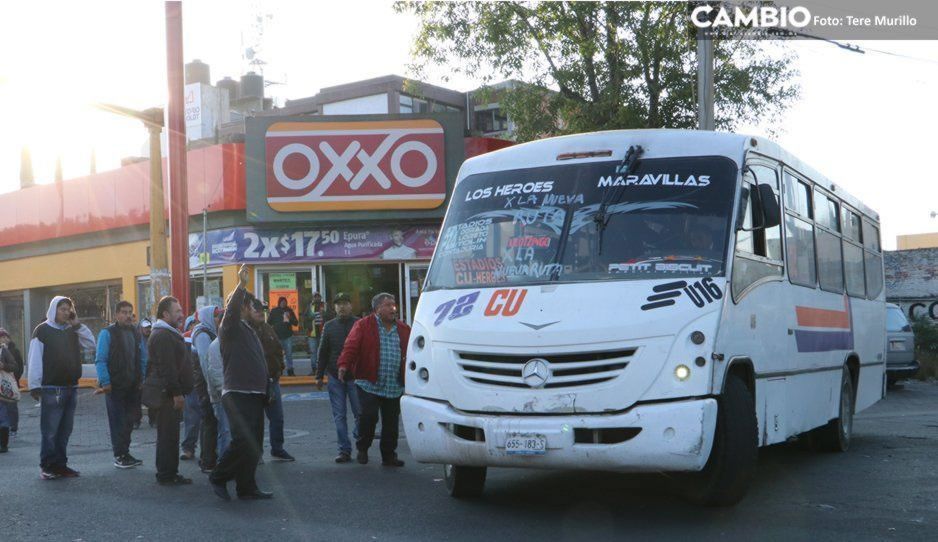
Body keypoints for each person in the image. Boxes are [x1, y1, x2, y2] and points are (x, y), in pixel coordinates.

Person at [210, 265, 274, 501]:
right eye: (248, 305)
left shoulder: (250, 331)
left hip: (254, 393)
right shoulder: (231, 327)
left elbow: (259, 363)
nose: (252, 308)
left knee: (254, 444)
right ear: (241, 307)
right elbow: (231, 311)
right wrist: (241, 286)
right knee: (243, 441)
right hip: (237, 393)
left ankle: (246, 487)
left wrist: (266, 388)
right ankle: (218, 476)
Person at [337, 292, 410, 467]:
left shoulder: (403, 329)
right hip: (369, 382)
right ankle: (363, 448)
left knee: (391, 423)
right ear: (377, 309)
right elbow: (351, 346)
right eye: (388, 305)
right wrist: (344, 364)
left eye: (394, 305)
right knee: (369, 417)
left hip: (393, 385)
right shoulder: (363, 325)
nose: (393, 308)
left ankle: (389, 455)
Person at [27, 296, 96, 479]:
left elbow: (91, 344)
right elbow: (35, 358)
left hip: (71, 387)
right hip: (52, 388)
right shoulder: (42, 330)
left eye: (68, 309)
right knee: (50, 431)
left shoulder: (72, 330)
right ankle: (47, 466)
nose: (66, 312)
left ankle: (60, 465)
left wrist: (78, 325)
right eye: (62, 309)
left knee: (65, 430)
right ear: (53, 310)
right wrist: (34, 385)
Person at [93, 300, 147, 469]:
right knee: (118, 422)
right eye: (124, 312)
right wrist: (105, 381)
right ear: (116, 315)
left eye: (130, 312)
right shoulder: (107, 333)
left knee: (130, 421)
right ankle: (119, 455)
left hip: (133, 386)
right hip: (115, 387)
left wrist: (142, 379)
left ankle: (126, 453)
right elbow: (100, 359)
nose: (128, 315)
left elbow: (142, 358)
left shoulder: (136, 332)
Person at [148, 296, 193, 486]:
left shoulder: (168, 333)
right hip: (167, 395)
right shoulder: (163, 335)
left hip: (169, 394)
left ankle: (170, 472)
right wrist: (176, 394)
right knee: (168, 435)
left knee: (171, 435)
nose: (181, 315)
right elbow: (168, 368)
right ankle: (167, 474)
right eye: (177, 311)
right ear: (165, 314)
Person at [316, 292, 361, 463]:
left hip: (356, 377)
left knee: (360, 414)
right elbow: (323, 352)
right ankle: (344, 450)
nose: (341, 307)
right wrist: (319, 375)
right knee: (339, 416)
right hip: (335, 376)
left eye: (345, 303)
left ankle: (361, 444)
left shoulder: (359, 324)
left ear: (351, 305)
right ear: (334, 307)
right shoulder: (329, 326)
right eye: (338, 304)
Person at [249, 298, 295, 462]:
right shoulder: (246, 331)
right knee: (256, 420)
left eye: (262, 309)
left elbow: (278, 349)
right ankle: (256, 453)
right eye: (256, 310)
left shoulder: (268, 328)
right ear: (248, 312)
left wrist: (280, 367)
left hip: (272, 380)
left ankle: (277, 449)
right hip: (255, 382)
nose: (261, 313)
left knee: (277, 417)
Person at [192, 305, 222, 473]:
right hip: (205, 385)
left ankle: (210, 458)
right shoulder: (203, 335)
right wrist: (212, 388)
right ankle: (208, 460)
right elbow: (205, 362)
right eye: (216, 316)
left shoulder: (210, 332)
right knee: (209, 420)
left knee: (211, 421)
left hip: (207, 384)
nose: (218, 319)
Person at [204, 335, 230, 457]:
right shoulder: (216, 346)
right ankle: (224, 462)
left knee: (229, 431)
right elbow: (216, 373)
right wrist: (225, 393)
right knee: (226, 431)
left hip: (230, 395)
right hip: (222, 397)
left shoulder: (233, 342)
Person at [180, 314, 201, 460]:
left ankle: (208, 450)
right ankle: (188, 447)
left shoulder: (210, 334)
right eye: (194, 322)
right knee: (191, 416)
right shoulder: (185, 338)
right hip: (191, 382)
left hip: (205, 381)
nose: (196, 324)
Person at [0, 328, 24, 440]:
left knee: (11, 407)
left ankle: (13, 429)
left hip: (9, 384)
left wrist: (4, 367)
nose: (4, 339)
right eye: (2, 337)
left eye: (6, 337)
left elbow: (17, 367)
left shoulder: (11, 351)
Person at [267, 297, 298, 377]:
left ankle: (290, 370)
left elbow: (296, 323)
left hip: (288, 336)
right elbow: (268, 323)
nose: (283, 303)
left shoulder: (289, 310)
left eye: (285, 302)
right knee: (277, 354)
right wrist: (270, 333)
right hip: (277, 336)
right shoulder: (274, 311)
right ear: (279, 303)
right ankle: (278, 370)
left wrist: (290, 318)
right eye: (282, 302)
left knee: (289, 354)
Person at [0, 337, 19, 453]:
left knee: (3, 417)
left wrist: (3, 366)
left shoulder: (3, 351)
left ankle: (3, 444)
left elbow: (15, 366)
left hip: (2, 390)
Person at [303, 293, 327, 376]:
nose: (317, 298)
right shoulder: (309, 307)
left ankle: (323, 369)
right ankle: (314, 370)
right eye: (315, 297)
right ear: (313, 298)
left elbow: (331, 316)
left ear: (320, 298)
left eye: (318, 297)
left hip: (323, 333)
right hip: (312, 333)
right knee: (313, 352)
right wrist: (311, 317)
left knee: (323, 352)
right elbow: (304, 318)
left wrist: (324, 313)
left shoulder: (325, 306)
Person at [138, 318, 155, 428]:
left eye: (149, 327)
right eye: (145, 327)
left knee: (152, 398)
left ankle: (153, 420)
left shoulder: (153, 339)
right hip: (140, 374)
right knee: (137, 399)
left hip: (151, 374)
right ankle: (136, 420)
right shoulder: (137, 340)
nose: (147, 329)